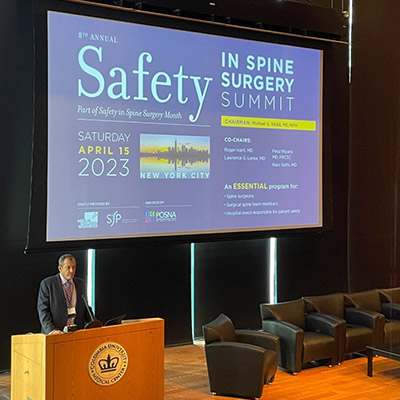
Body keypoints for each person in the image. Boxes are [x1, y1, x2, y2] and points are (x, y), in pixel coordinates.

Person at [37, 254, 92, 334]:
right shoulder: (47, 284)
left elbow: (85, 307)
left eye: (73, 267)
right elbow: (43, 310)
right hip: (55, 333)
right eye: (68, 268)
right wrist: (51, 330)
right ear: (60, 268)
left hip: (76, 333)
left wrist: (95, 324)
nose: (71, 271)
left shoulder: (81, 283)